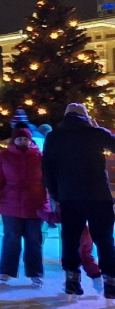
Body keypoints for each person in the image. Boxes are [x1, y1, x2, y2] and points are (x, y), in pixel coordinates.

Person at [41, 103, 115, 298]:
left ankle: (72, 279)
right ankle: (111, 281)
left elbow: (47, 167)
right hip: (99, 196)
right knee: (105, 240)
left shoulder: (54, 136)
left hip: (69, 197)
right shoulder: (95, 133)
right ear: (86, 116)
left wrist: (56, 194)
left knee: (71, 239)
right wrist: (100, 130)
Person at [0, 127, 48, 287]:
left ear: (30, 141)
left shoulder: (40, 157)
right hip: (11, 205)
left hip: (35, 204)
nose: (23, 142)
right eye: (19, 139)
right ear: (13, 140)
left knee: (34, 240)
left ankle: (35, 272)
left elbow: (49, 180)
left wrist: (54, 199)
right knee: (11, 239)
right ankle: (7, 271)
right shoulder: (4, 157)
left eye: (25, 139)